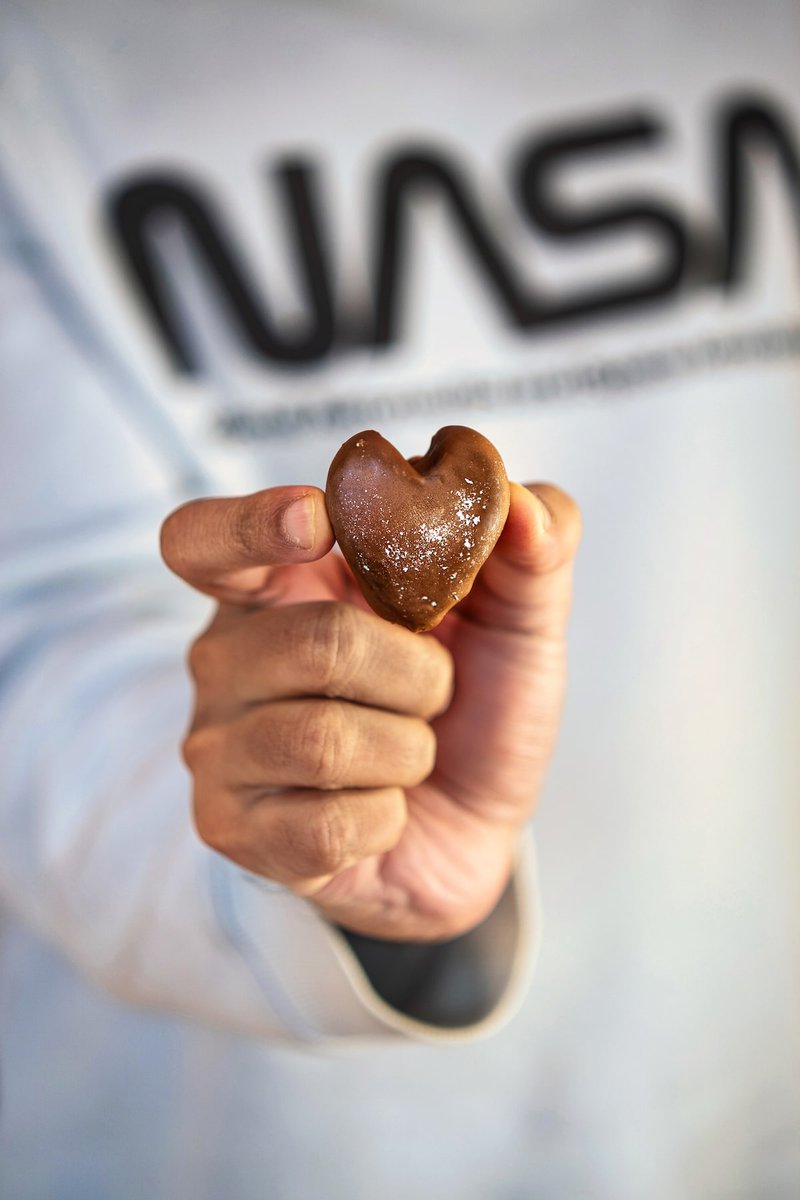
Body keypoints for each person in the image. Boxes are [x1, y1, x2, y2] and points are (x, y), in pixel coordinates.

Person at [2, 1, 799, 1197]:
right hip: (247, 1144)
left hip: (742, 1086)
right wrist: (303, 832)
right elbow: (32, 633)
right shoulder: (41, 64)